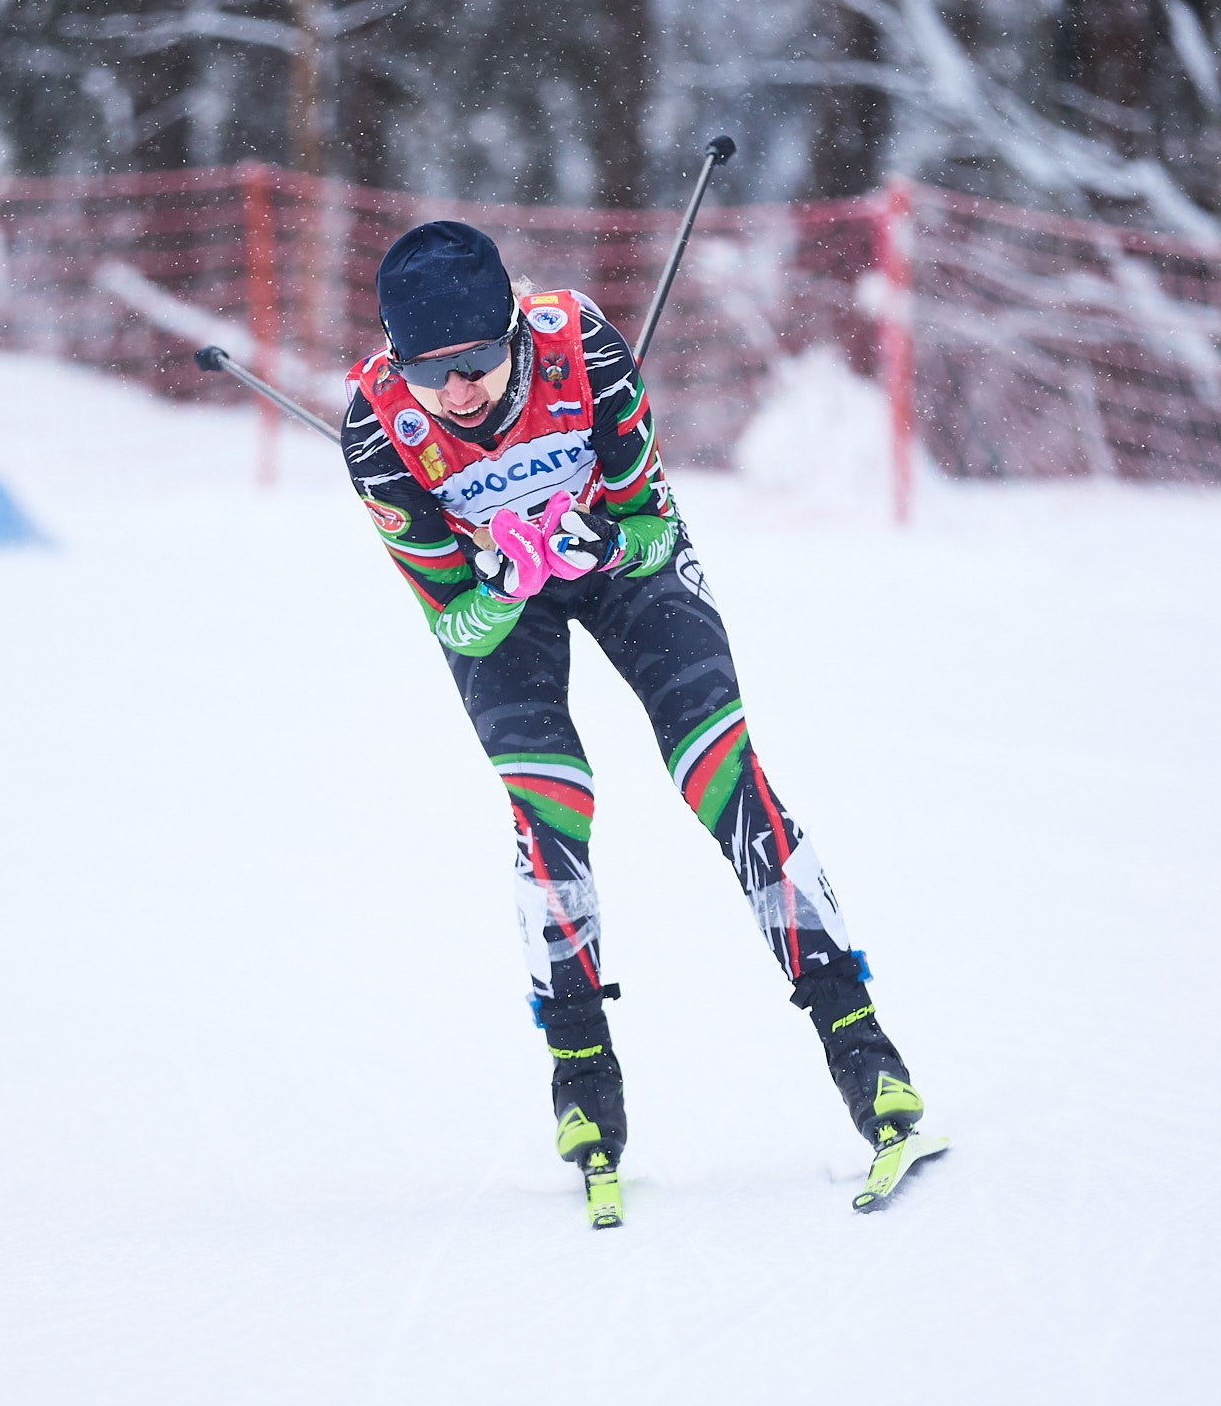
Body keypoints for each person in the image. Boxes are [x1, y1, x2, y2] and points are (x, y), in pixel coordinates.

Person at [341, 220, 935, 1225]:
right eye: (431, 370)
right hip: (503, 604)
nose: (460, 392)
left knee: (722, 776)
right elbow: (449, 613)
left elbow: (654, 526)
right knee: (548, 803)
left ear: (514, 337)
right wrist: (497, 577)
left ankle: (867, 1059)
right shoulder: (374, 425)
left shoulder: (579, 343)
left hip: (622, 569)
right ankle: (581, 1083)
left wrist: (595, 544)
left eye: (480, 361)